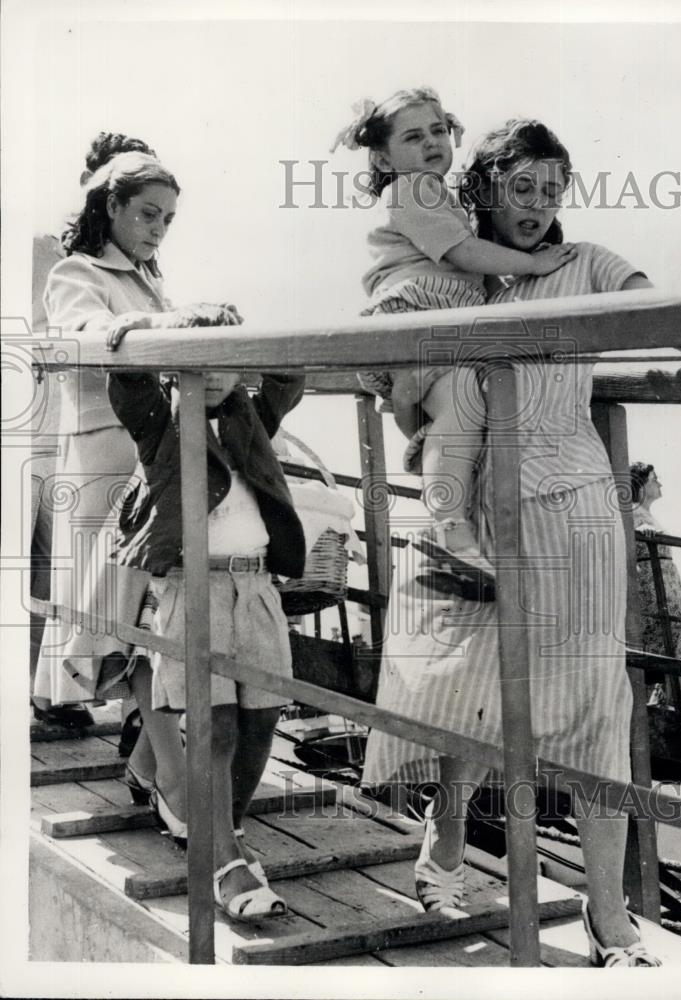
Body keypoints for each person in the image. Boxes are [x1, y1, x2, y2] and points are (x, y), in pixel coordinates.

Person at [361, 118, 661, 966]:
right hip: (468, 512)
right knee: (465, 686)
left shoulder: (586, 262)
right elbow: (385, 355)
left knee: (600, 703)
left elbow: (655, 305)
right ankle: (446, 845)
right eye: (519, 189)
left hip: (572, 508)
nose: (536, 208)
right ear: (484, 190)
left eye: (551, 191)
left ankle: (611, 920)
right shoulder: (445, 275)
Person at [331, 88, 576, 567]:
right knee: (463, 405)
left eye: (439, 130)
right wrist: (533, 264)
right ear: (383, 158)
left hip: (440, 322)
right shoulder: (412, 191)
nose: (431, 143)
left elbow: (473, 270)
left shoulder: (439, 197)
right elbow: (463, 254)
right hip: (417, 318)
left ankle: (445, 524)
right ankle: (446, 530)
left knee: (459, 406)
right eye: (414, 136)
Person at [104, 364, 306, 920]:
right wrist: (156, 333)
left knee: (262, 718)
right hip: (195, 584)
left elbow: (288, 374)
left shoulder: (251, 414)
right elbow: (126, 381)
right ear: (177, 367)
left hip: (258, 583)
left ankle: (227, 834)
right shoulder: (160, 424)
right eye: (201, 363)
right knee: (214, 723)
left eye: (226, 363)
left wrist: (251, 350)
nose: (213, 376)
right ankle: (223, 860)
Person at [30, 132, 157, 729]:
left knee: (118, 578)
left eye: (166, 218)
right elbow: (84, 328)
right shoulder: (73, 269)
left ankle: (130, 712)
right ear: (108, 201)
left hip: (140, 440)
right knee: (91, 578)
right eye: (148, 213)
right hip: (99, 439)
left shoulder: (141, 275)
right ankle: (63, 696)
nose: (158, 228)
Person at [629, 461, 681, 711]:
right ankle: (676, 698)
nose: (659, 482)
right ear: (641, 484)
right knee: (673, 634)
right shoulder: (630, 511)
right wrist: (641, 531)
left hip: (667, 583)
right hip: (653, 586)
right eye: (654, 478)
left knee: (678, 635)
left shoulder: (645, 512)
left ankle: (673, 697)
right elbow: (624, 534)